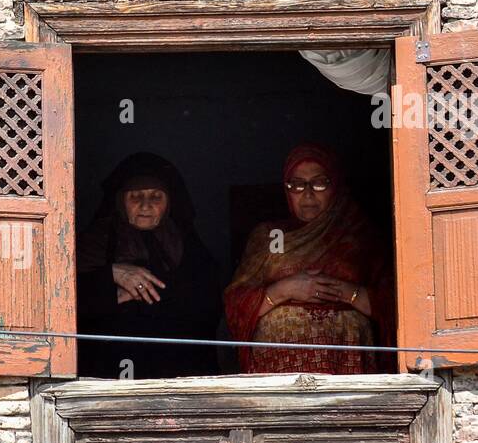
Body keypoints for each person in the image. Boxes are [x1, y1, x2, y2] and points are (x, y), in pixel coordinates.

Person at [224, 142, 394, 374]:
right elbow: (235, 302)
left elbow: (397, 305)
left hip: (347, 361)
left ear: (336, 185)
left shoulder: (359, 234)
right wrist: (285, 290)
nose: (308, 194)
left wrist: (348, 293)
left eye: (319, 182)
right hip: (277, 366)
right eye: (297, 185)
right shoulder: (271, 236)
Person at [77, 152, 222, 379]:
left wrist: (157, 294)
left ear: (169, 203)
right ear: (120, 201)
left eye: (156, 197)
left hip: (174, 368)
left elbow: (209, 303)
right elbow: (64, 302)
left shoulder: (184, 241)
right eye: (136, 196)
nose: (146, 205)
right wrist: (112, 278)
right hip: (107, 369)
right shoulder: (96, 240)